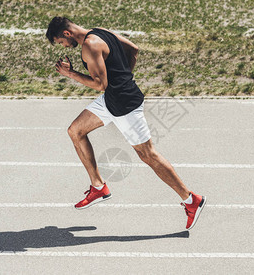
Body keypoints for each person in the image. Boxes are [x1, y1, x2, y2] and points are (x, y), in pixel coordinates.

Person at [45, 17, 206, 230]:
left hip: (123, 105)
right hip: (113, 99)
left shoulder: (90, 46)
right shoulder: (99, 31)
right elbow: (133, 49)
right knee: (75, 131)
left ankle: (191, 199)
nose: (63, 47)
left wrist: (71, 73)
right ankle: (98, 186)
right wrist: (124, 76)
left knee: (148, 155)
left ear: (66, 33)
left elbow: (100, 84)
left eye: (60, 42)